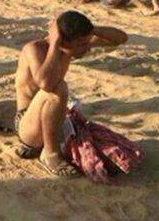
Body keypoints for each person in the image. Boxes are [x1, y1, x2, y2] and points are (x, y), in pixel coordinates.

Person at [14, 11, 127, 177]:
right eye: (82, 44)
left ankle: (55, 145)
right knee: (58, 88)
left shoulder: (73, 45)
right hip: (29, 126)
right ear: (63, 42)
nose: (87, 48)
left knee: (110, 157)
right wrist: (54, 43)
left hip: (55, 119)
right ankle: (50, 154)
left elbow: (120, 38)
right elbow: (46, 84)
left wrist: (92, 30)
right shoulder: (34, 49)